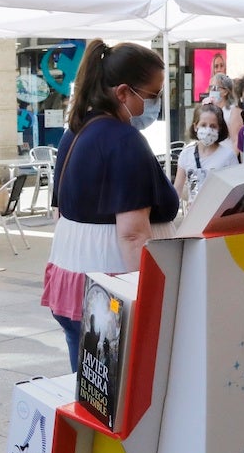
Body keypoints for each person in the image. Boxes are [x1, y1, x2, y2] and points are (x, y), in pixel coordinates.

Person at [40, 39, 180, 371]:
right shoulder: (125, 141)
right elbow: (132, 235)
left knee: (88, 389)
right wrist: (151, 298)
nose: (156, 103)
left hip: (74, 277)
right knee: (122, 401)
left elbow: (62, 209)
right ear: (122, 93)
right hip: (115, 283)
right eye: (152, 95)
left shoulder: (74, 131)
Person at [174, 103, 239, 208]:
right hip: (194, 215)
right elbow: (177, 189)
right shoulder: (186, 155)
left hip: (218, 214)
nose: (208, 130)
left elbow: (235, 191)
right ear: (195, 126)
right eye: (203, 125)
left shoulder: (228, 156)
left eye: (213, 126)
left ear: (219, 128)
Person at [205, 73, 244, 151]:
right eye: (210, 87)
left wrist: (232, 159)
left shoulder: (233, 110)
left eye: (215, 88)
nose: (212, 91)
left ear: (225, 92)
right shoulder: (210, 109)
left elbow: (236, 140)